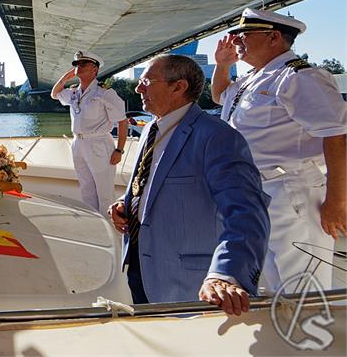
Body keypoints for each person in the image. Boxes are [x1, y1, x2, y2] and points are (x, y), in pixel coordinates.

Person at [108, 55, 270, 315]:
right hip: (141, 267)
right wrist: (126, 204)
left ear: (178, 87)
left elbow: (247, 211)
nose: (138, 89)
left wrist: (225, 275)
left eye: (147, 81)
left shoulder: (218, 137)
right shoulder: (150, 129)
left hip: (187, 280)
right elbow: (151, 184)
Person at [211, 8, 346, 292]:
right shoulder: (254, 78)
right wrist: (222, 65)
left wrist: (337, 202)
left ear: (273, 37)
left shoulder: (298, 77)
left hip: (290, 192)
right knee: (271, 283)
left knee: (302, 287)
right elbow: (219, 95)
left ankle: (312, 337)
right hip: (257, 191)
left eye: (244, 34)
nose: (237, 40)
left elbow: (336, 136)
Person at [50, 51, 127, 213]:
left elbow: (122, 120)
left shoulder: (104, 93)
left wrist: (119, 150)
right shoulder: (74, 92)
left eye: (83, 64)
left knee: (104, 191)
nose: (78, 67)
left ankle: (109, 230)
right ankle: (95, 227)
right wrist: (65, 78)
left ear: (94, 69)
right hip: (78, 143)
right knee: (86, 189)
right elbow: (54, 94)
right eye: (77, 64)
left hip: (98, 144)